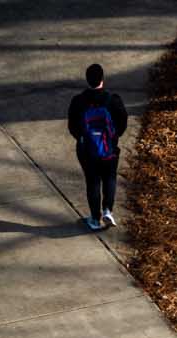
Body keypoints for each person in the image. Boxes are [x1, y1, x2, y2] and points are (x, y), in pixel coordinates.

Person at [67, 64, 128, 230]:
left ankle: (95, 218)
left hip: (87, 149)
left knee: (92, 181)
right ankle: (108, 210)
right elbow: (122, 122)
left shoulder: (78, 101)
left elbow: (72, 126)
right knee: (110, 177)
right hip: (109, 148)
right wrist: (113, 138)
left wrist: (82, 138)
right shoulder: (113, 100)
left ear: (87, 80)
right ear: (102, 78)